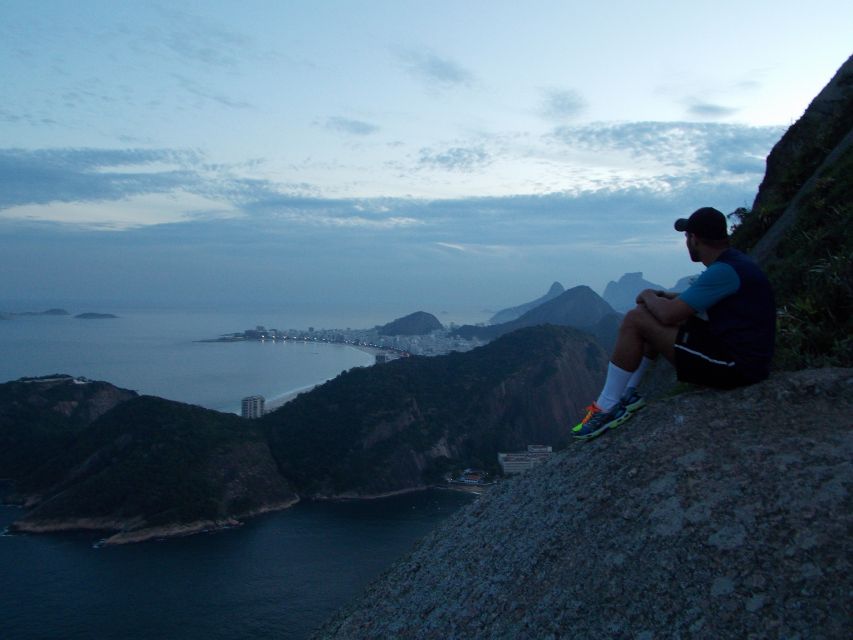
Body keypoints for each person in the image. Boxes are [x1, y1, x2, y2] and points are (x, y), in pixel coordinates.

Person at [573, 206, 776, 440]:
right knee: (647, 314)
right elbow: (695, 300)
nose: (686, 242)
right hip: (740, 357)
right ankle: (627, 395)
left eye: (687, 236)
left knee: (636, 318)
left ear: (695, 239)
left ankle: (606, 407)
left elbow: (670, 316)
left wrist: (649, 295)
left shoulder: (724, 270)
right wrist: (664, 296)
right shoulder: (734, 264)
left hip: (734, 367)